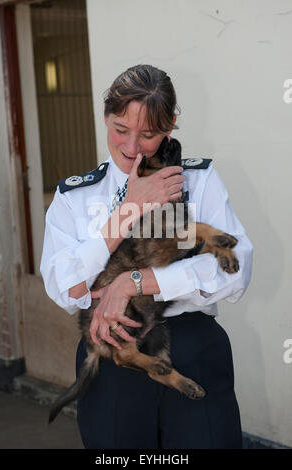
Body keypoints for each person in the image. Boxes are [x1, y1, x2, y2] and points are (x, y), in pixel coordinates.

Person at [40, 64, 253, 449]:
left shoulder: (198, 179)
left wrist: (133, 282)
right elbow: (65, 289)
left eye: (149, 135)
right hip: (112, 354)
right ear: (106, 116)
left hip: (193, 346)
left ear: (169, 127)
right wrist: (128, 211)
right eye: (121, 130)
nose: (132, 147)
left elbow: (235, 274)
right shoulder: (75, 197)